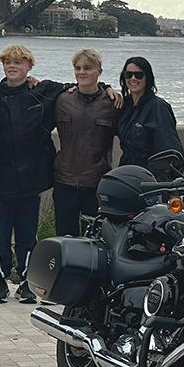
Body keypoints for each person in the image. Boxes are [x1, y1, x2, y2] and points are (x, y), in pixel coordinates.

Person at [0, 45, 55, 304]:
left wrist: (107, 88)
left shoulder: (41, 93)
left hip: (30, 179)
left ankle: (26, 282)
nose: (12, 67)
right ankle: (1, 280)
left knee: (27, 236)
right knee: (1, 236)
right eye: (8, 63)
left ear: (29, 66)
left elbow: (78, 87)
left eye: (18, 62)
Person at [52, 48, 121, 235]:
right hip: (64, 181)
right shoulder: (61, 100)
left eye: (88, 68)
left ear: (99, 71)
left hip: (97, 182)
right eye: (78, 68)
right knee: (65, 238)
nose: (82, 72)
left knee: (95, 238)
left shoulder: (113, 103)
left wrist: (107, 88)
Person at [115, 56, 183, 171]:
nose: (133, 78)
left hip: (149, 174)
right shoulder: (124, 106)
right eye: (128, 74)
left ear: (148, 77)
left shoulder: (158, 107)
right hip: (127, 171)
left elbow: (170, 149)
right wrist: (106, 88)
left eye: (139, 75)